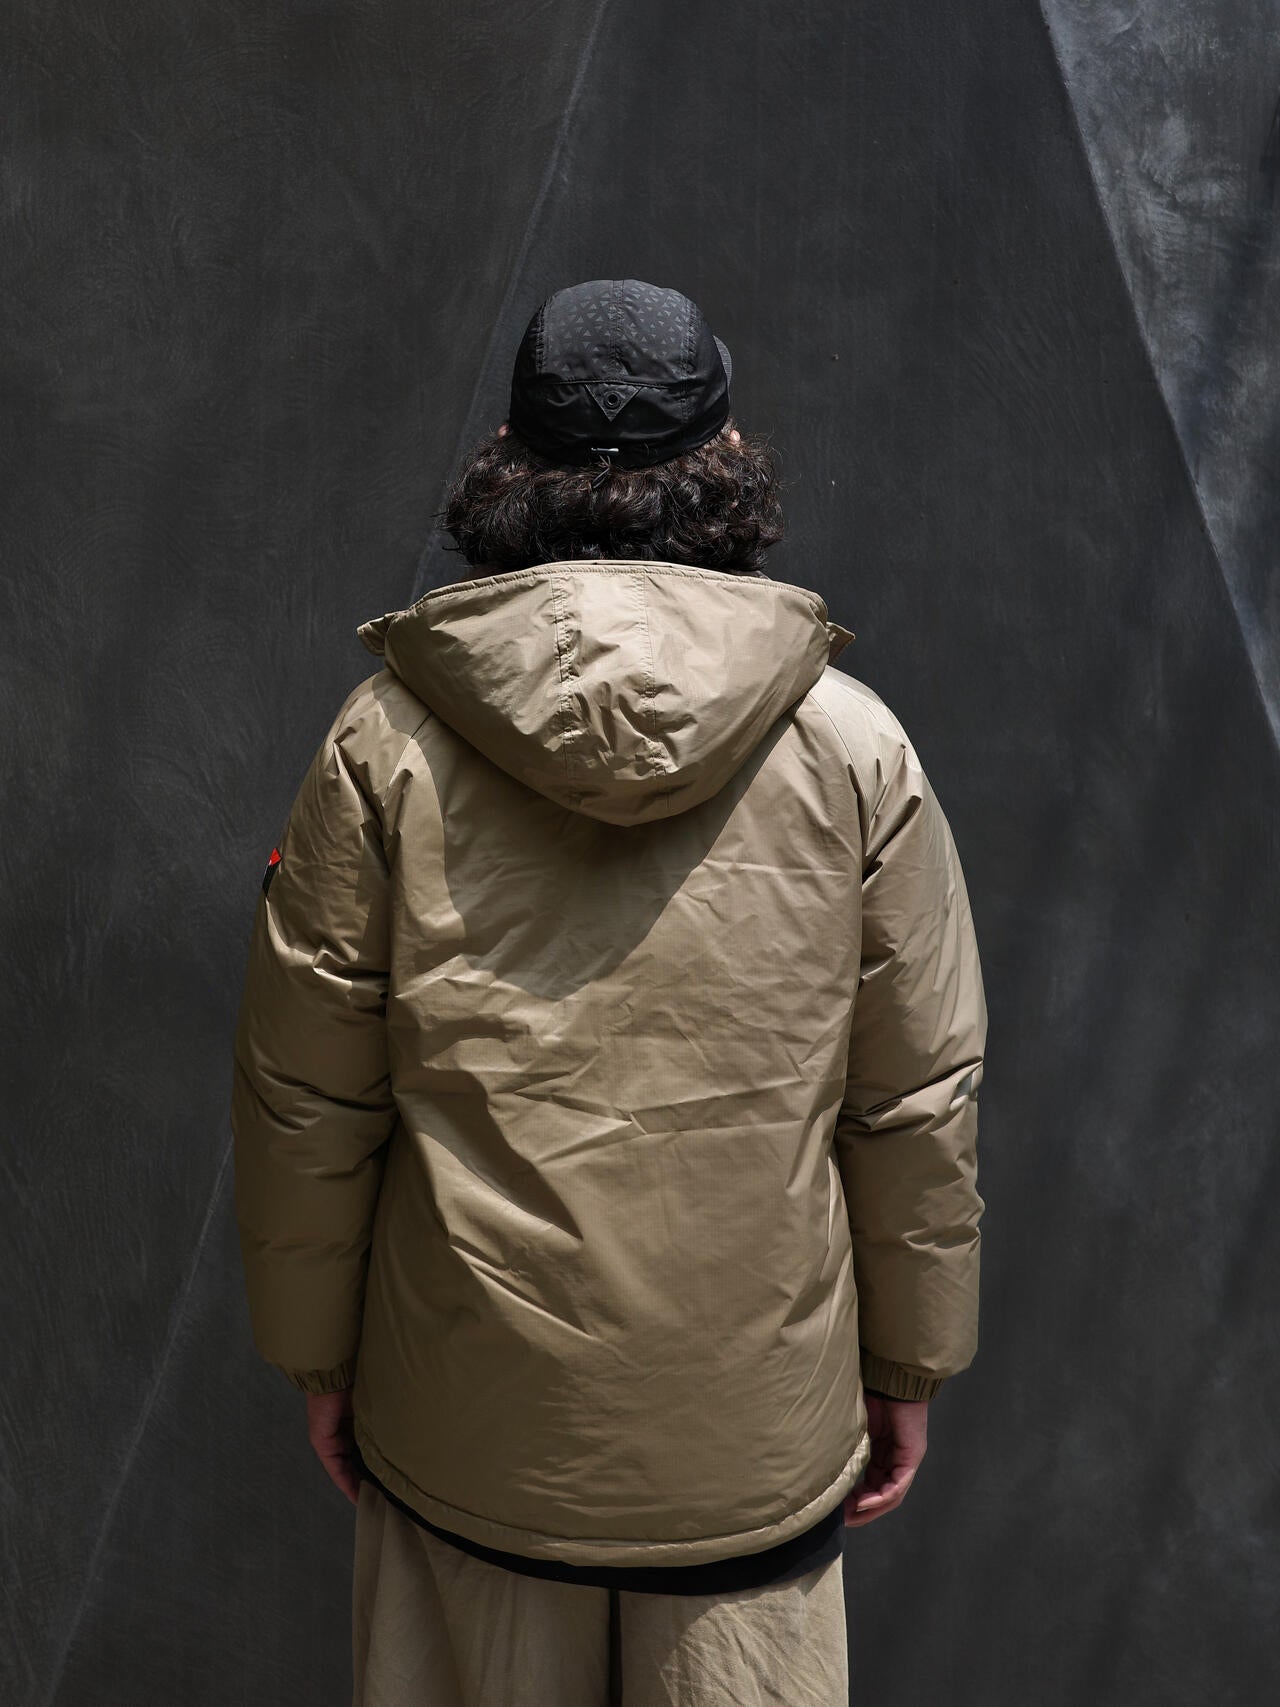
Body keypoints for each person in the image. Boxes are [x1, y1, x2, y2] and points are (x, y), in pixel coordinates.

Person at [231, 278, 987, 1707]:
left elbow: (306, 1099)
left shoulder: (384, 744)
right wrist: (912, 1361)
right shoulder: (852, 748)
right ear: (725, 460)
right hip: (752, 1434)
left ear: (510, 461)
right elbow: (914, 1101)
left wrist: (316, 1360)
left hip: (467, 1420)